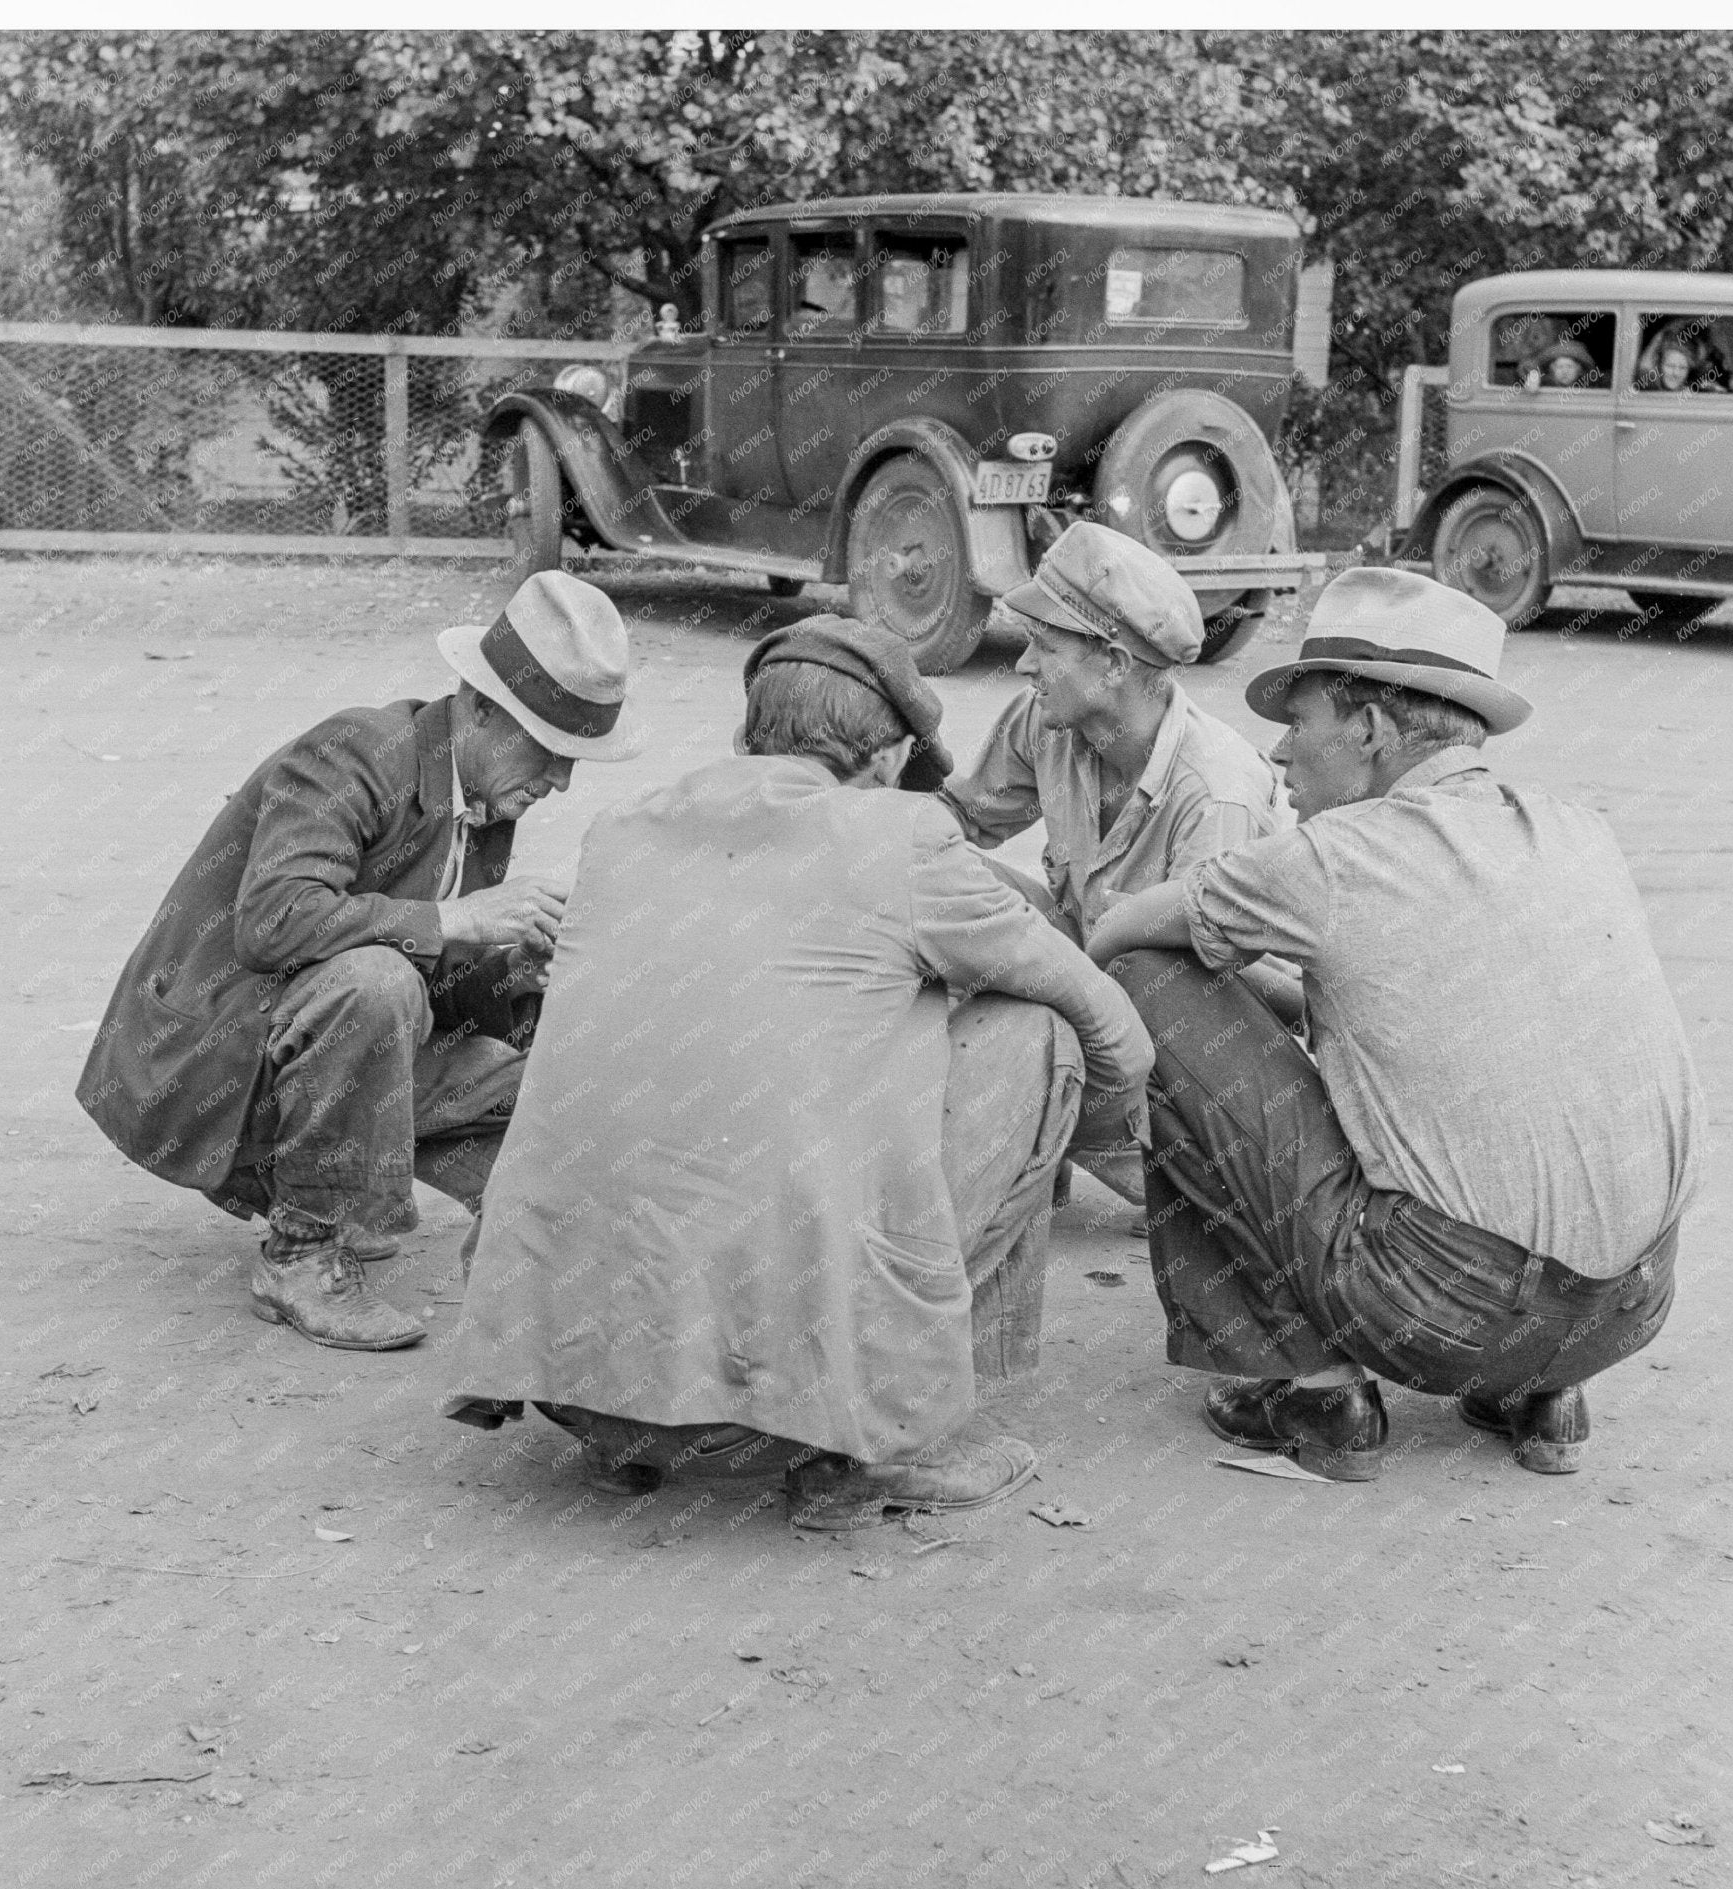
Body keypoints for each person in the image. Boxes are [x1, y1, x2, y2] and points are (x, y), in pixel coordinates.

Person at [442, 618, 1153, 1530]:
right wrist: (1094, 1138)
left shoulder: (620, 832)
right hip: (771, 1411)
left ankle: (623, 1439)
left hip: (564, 1381)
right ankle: (867, 1447)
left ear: (747, 738)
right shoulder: (906, 841)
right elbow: (1113, 1030)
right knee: (1037, 1033)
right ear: (890, 757)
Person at [1083, 567, 1703, 1481]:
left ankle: (1313, 1389)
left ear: (1370, 730)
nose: (1281, 756)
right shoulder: (1578, 830)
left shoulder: (1332, 857)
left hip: (1444, 1313)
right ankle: (1540, 1390)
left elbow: (1116, 934)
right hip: (1634, 1307)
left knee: (1152, 984)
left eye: (1299, 723)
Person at [76, 572, 643, 1352]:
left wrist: (513, 967)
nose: (561, 781)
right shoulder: (356, 751)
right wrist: (456, 917)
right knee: (373, 986)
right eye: (548, 751)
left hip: (304, 1040)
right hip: (208, 1060)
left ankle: (504, 1253)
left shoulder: (479, 790)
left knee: (546, 1083)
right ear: (479, 709)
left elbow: (428, 978)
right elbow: (274, 925)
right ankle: (301, 1254)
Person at [938, 521, 1291, 1213]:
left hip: (1187, 1032)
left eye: (1043, 647)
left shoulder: (1214, 790)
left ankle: (1150, 1160)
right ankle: (1051, 1127)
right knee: (952, 885)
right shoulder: (1047, 722)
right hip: (1094, 986)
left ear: (1113, 663)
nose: (1023, 666)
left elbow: (1220, 987)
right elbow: (952, 823)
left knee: (1148, 971)